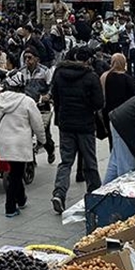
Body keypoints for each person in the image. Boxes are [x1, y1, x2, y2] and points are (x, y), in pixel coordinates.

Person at [48, 48, 104, 214]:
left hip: (66, 124)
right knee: (90, 161)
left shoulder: (59, 74)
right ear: (87, 61)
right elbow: (99, 103)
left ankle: (59, 193)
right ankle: (94, 195)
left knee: (66, 161)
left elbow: (55, 98)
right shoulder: (91, 77)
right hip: (85, 125)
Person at [0, 74, 46, 218]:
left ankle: (21, 199)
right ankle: (10, 207)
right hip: (20, 143)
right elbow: (38, 124)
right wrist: (42, 140)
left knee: (15, 172)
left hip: (5, 142)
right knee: (15, 174)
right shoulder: (27, 102)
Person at [100, 53, 135, 138]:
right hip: (124, 114)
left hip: (108, 113)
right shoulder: (127, 79)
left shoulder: (104, 76)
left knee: (112, 139)